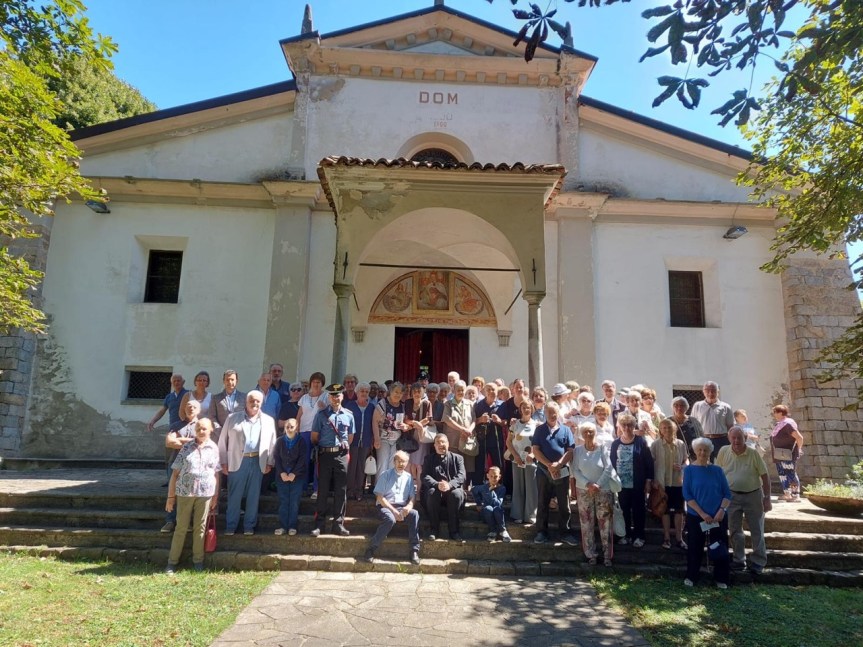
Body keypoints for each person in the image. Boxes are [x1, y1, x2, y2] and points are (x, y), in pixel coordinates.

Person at [164, 417, 220, 574]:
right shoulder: (186, 447)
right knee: (181, 527)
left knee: (200, 528)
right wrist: (170, 497)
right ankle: (172, 562)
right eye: (198, 429)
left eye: (204, 429)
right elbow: (175, 474)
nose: (201, 431)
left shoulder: (214, 448)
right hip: (185, 493)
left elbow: (216, 474)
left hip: (205, 494)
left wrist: (215, 496)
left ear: (210, 430)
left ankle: (198, 561)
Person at [218, 390, 277, 536]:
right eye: (252, 400)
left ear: (262, 402)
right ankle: (231, 526)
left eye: (258, 400)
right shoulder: (232, 418)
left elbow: (272, 443)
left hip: (258, 461)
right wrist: (223, 462)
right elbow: (222, 442)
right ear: (246, 401)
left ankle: (249, 526)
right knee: (234, 495)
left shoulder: (269, 420)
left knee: (253, 495)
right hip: (237, 460)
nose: (254, 403)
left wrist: (270, 462)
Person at [716, 426, 772, 574]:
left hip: (753, 495)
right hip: (731, 496)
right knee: (734, 529)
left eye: (739, 438)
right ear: (729, 439)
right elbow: (718, 473)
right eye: (733, 438)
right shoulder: (723, 451)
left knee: (757, 529)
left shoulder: (753, 453)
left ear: (745, 439)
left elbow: (765, 476)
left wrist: (767, 498)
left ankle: (758, 561)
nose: (736, 441)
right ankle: (739, 560)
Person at [683, 437, 732, 589]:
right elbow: (687, 495)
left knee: (719, 546)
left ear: (710, 452)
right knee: (694, 546)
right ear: (695, 452)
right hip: (697, 517)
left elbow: (727, 494)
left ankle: (721, 578)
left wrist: (721, 511)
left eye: (705, 450)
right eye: (700, 450)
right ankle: (692, 576)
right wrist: (703, 514)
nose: (703, 453)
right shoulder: (689, 470)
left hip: (718, 517)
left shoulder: (717, 470)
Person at [532, 401, 579, 546]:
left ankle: (565, 533)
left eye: (554, 413)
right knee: (542, 501)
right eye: (549, 413)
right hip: (543, 471)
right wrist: (549, 465)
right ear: (545, 413)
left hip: (562, 471)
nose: (552, 415)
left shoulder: (566, 430)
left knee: (564, 503)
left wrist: (559, 464)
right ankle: (541, 532)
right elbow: (535, 450)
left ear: (558, 413)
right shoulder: (539, 430)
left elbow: (570, 451)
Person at [311, 384, 355, 537]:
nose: (336, 398)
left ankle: (338, 524)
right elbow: (314, 437)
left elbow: (350, 437)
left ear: (342, 396)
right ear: (328, 397)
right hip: (325, 455)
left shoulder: (349, 415)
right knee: (322, 490)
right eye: (333, 395)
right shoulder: (321, 414)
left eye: (338, 395)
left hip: (341, 456)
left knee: (340, 490)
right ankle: (319, 525)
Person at [364, 450, 421, 565]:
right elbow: (380, 497)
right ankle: (371, 549)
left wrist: (409, 506)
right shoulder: (386, 474)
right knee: (390, 519)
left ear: (407, 463)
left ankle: (414, 550)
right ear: (394, 462)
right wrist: (394, 511)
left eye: (404, 461)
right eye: (398, 461)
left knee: (414, 514)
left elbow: (412, 497)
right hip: (385, 506)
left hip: (401, 507)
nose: (401, 464)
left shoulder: (409, 477)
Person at [571, 422, 616, 566]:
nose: (588, 434)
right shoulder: (577, 450)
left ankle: (607, 555)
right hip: (584, 490)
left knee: (606, 523)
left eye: (591, 431)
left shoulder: (602, 448)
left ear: (595, 432)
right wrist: (588, 484)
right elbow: (575, 471)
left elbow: (608, 468)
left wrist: (598, 484)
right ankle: (591, 554)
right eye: (585, 432)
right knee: (586, 523)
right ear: (581, 434)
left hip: (603, 490)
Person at [610, 413, 654, 547]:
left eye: (630, 425)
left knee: (638, 510)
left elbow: (649, 463)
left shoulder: (641, 441)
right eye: (624, 425)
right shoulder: (615, 443)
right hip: (621, 484)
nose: (627, 428)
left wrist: (648, 481)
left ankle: (639, 536)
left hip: (638, 483)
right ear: (620, 426)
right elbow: (611, 463)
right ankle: (626, 535)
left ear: (634, 426)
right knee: (623, 510)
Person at [161, 400, 200, 533]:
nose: (191, 409)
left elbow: (201, 442)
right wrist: (190, 442)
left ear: (199, 410)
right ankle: (170, 521)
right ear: (184, 409)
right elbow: (169, 442)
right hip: (175, 463)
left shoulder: (202, 425)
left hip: (194, 465)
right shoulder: (176, 425)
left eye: (194, 407)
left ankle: (186, 522)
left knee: (190, 493)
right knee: (172, 492)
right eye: (188, 407)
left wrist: (180, 440)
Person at [421, 433, 467, 541]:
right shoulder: (428, 458)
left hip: (452, 490)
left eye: (443, 442)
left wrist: (449, 485)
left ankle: (454, 531)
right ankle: (434, 530)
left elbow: (461, 475)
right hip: (436, 490)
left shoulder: (458, 458)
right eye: (438, 442)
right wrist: (437, 485)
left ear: (448, 443)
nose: (441, 444)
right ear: (434, 446)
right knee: (432, 493)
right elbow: (424, 476)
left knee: (456, 494)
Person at [652, 418, 688, 550]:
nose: (667, 430)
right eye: (664, 428)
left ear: (674, 429)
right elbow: (651, 463)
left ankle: (679, 538)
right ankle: (666, 538)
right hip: (662, 482)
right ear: (660, 430)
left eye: (669, 427)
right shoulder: (656, 445)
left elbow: (686, 460)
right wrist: (654, 480)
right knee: (665, 511)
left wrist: (683, 466)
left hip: (678, 482)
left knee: (679, 511)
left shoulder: (680, 444)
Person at [148, 373, 188, 486]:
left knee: (184, 457)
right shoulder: (169, 397)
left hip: (185, 430)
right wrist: (152, 421)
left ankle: (181, 480)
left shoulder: (188, 394)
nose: (176, 382)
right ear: (171, 383)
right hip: (172, 431)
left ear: (183, 382)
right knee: (169, 458)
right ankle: (170, 480)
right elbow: (162, 410)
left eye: (179, 380)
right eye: (174, 381)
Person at [273, 418, 308, 536]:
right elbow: (276, 458)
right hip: (282, 476)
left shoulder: (301, 441)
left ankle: (292, 526)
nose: (289, 429)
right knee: (283, 501)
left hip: (296, 477)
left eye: (291, 427)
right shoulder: (280, 441)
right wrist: (282, 473)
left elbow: (303, 459)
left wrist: (294, 473)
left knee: (294, 502)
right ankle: (283, 526)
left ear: (296, 427)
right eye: (287, 427)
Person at [506, 399, 538, 525]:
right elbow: (508, 441)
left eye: (528, 407)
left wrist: (532, 454)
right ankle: (517, 514)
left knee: (531, 488)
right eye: (524, 407)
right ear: (520, 409)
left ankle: (530, 515)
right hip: (517, 459)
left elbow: (538, 443)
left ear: (532, 409)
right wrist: (515, 455)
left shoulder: (537, 425)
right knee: (518, 487)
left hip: (530, 460)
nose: (526, 409)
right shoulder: (515, 424)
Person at [296, 371, 327, 495]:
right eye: (314, 382)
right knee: (303, 460)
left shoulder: (326, 396)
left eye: (318, 382)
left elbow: (330, 414)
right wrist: (296, 430)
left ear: (322, 384)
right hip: (304, 431)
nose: (316, 384)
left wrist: (324, 407)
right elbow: (299, 415)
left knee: (318, 461)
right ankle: (302, 486)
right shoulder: (304, 398)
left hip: (319, 432)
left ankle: (316, 488)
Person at [345, 382, 375, 501]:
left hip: (366, 441)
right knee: (351, 466)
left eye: (366, 392)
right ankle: (349, 491)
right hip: (352, 440)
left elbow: (374, 425)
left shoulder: (372, 407)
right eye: (362, 391)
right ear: (357, 392)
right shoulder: (350, 405)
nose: (364, 393)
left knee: (361, 466)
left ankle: (359, 491)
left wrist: (373, 440)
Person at [690, 381, 734, 460]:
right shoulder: (697, 405)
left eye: (713, 390)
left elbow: (730, 426)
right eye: (707, 390)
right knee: (703, 463)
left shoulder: (726, 407)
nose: (710, 393)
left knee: (723, 463)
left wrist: (731, 442)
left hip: (721, 440)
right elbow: (693, 424)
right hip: (703, 439)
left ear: (718, 392)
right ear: (703, 392)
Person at [443, 380, 476, 482]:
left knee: (468, 466)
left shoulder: (470, 404)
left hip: (467, 439)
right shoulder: (448, 404)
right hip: (453, 440)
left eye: (462, 390)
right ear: (453, 390)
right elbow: (447, 419)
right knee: (454, 465)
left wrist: (469, 430)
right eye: (458, 390)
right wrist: (462, 429)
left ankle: (465, 489)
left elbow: (474, 419)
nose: (461, 392)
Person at [373, 381, 407, 480]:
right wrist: (376, 438)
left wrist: (404, 426)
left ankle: (389, 490)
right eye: (396, 392)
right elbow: (374, 421)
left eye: (400, 393)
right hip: (383, 438)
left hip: (396, 439)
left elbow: (403, 422)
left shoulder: (402, 406)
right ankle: (380, 491)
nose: (398, 394)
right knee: (382, 464)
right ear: (390, 391)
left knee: (393, 464)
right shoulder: (383, 403)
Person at [770, 404, 804, 502]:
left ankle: (795, 495)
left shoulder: (788, 424)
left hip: (788, 454)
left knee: (790, 474)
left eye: (775, 412)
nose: (774, 414)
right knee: (782, 474)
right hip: (779, 455)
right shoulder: (779, 424)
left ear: (781, 412)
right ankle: (787, 494)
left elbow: (799, 437)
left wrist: (799, 449)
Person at [474, 382, 506, 486]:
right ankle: (478, 488)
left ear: (497, 392)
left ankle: (499, 488)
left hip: (497, 440)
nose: (491, 392)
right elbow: (473, 421)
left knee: (499, 464)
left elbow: (506, 422)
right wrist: (480, 419)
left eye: (493, 389)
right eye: (489, 390)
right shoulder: (479, 404)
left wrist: (499, 421)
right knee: (479, 465)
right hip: (482, 439)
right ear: (484, 392)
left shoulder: (501, 405)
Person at [472, 466, 510, 542]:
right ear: (487, 476)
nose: (493, 479)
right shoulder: (483, 487)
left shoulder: (502, 488)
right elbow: (474, 490)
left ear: (499, 477)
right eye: (491, 476)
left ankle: (503, 530)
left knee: (497, 508)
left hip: (498, 514)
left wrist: (492, 492)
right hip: (487, 514)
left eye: (495, 476)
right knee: (488, 508)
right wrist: (478, 503)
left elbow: (498, 503)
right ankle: (492, 531)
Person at [405, 381, 432, 488]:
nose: (417, 393)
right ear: (411, 392)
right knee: (410, 464)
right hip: (409, 436)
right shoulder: (408, 402)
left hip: (421, 436)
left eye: (419, 391)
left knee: (419, 465)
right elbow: (405, 418)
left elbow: (428, 419)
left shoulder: (427, 403)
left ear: (422, 392)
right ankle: (410, 488)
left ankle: (419, 491)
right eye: (415, 391)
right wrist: (413, 424)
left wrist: (417, 425)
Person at [209, 369, 246, 440]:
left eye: (232, 379)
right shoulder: (216, 398)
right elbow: (212, 416)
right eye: (227, 380)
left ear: (236, 381)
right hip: (220, 436)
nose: (230, 382)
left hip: (238, 435)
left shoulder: (244, 397)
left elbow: (247, 415)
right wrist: (220, 431)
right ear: (224, 381)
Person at [669, 396, 703, 462]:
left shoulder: (694, 421)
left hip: (693, 455)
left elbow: (701, 436)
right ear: (673, 407)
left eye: (682, 405)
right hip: (675, 455)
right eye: (676, 405)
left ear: (686, 408)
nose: (679, 408)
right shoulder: (668, 421)